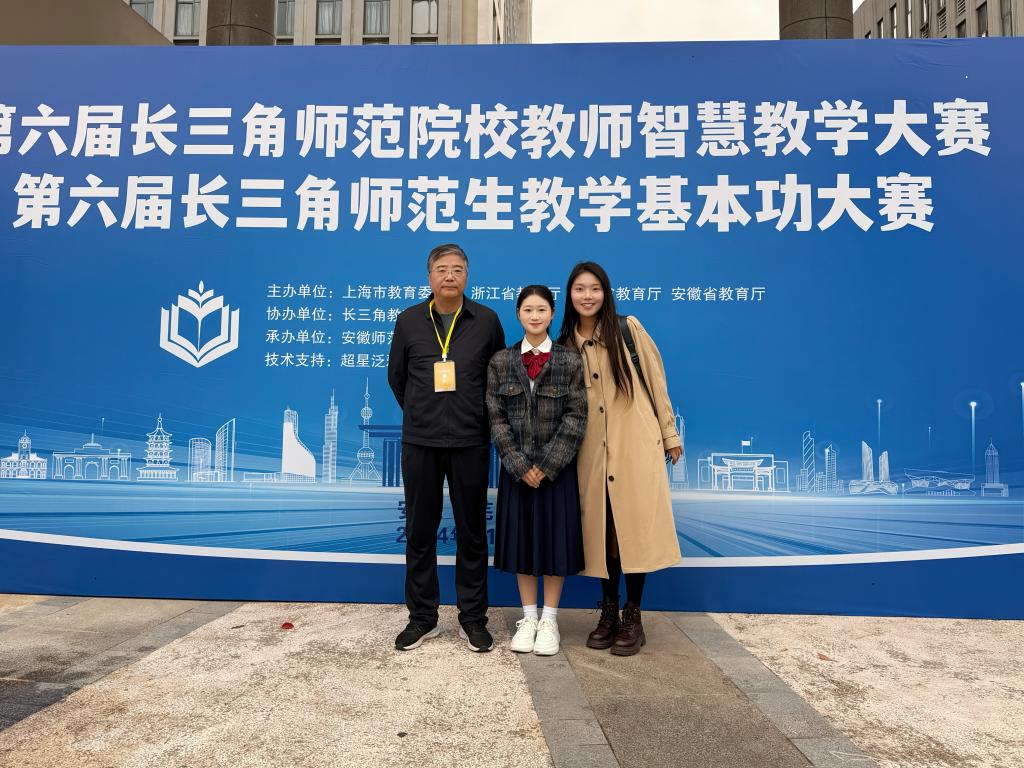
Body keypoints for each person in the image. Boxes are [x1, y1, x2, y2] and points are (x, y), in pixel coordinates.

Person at [556, 262, 683, 656]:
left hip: (635, 446)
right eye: (580, 289)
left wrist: (669, 434)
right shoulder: (564, 344)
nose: (587, 296)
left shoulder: (627, 329)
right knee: (603, 533)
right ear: (570, 295)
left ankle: (634, 615)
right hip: (591, 453)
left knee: (634, 532)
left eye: (594, 288)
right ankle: (608, 611)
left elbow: (656, 382)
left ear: (606, 292)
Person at [387, 243, 506, 652]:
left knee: (472, 533)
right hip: (421, 441)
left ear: (467, 275)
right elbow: (398, 378)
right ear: (430, 276)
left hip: (470, 440)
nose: (449, 275)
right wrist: (424, 411)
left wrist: (469, 414)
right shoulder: (409, 320)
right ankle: (422, 618)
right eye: (442, 269)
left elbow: (497, 379)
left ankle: (473, 619)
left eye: (457, 268)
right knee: (420, 531)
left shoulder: (486, 321)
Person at [486, 286, 587, 656]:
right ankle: (528, 618)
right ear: (518, 314)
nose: (535, 316)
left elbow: (576, 417)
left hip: (557, 471)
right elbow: (495, 418)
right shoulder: (500, 361)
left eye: (541, 309)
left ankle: (549, 620)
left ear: (552, 313)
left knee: (555, 546)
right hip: (517, 472)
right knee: (522, 546)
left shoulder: (569, 360)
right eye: (528, 309)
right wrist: (518, 464)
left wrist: (546, 465)